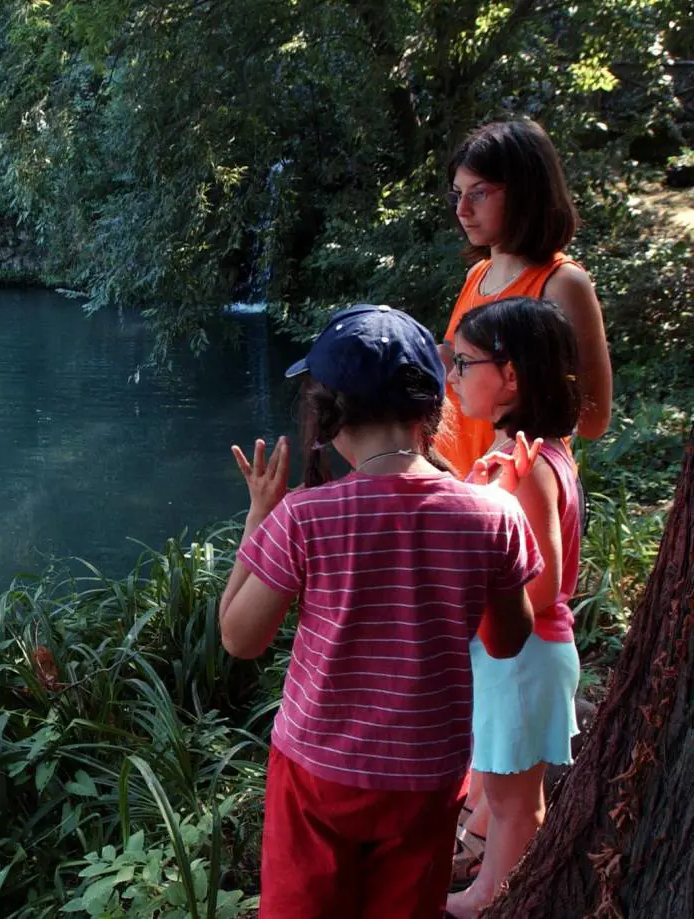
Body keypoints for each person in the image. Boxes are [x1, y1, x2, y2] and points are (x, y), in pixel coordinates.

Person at [219, 303, 542, 919]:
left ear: (326, 413)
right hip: (427, 771)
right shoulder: (491, 515)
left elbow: (239, 638)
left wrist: (262, 512)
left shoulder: (305, 517)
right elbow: (506, 640)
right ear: (431, 411)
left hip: (317, 772)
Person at [444, 297, 584, 919]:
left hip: (523, 656)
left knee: (512, 797)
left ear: (511, 375)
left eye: (463, 362)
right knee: (502, 784)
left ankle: (492, 896)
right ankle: (493, 874)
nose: (451, 377)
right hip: (512, 654)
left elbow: (544, 585)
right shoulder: (524, 452)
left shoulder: (525, 466)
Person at [434, 117, 612, 480]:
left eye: (478, 193)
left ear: (525, 192)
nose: (462, 209)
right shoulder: (476, 276)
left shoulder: (562, 283)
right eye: (457, 194)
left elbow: (593, 420)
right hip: (460, 486)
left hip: (519, 493)